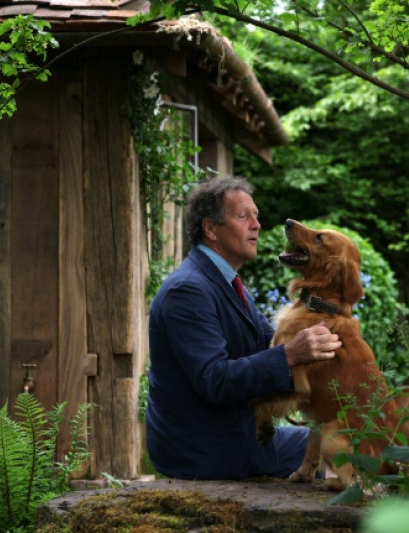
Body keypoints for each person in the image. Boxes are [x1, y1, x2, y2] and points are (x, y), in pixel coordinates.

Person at [144, 176, 342, 480]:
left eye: (257, 215)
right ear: (210, 228)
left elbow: (268, 342)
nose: (257, 225)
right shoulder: (187, 291)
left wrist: (325, 328)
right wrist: (290, 354)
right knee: (338, 449)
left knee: (339, 439)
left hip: (230, 436)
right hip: (202, 450)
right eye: (243, 216)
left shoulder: (224, 281)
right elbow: (215, 380)